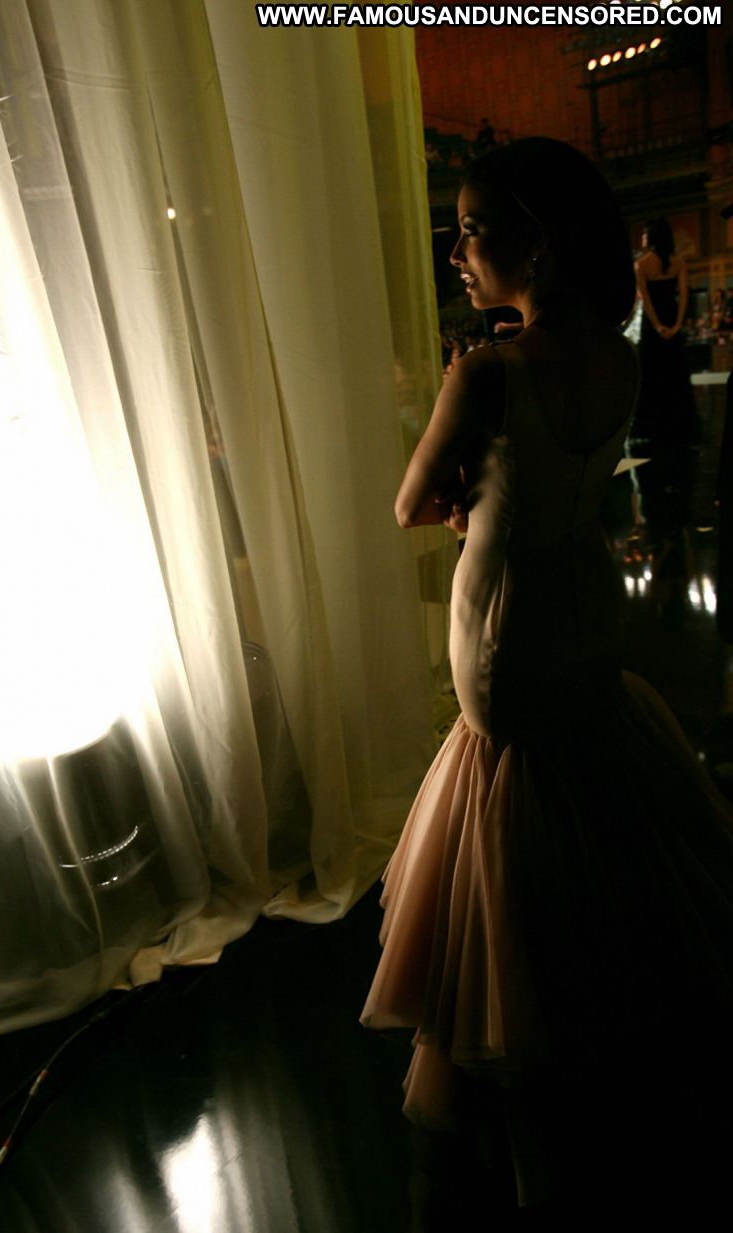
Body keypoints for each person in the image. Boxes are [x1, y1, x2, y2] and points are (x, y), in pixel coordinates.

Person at [360, 138, 733, 1221]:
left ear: (537, 244)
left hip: (506, 625)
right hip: (584, 608)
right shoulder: (617, 355)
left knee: (508, 815)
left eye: (472, 230)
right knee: (593, 797)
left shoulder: (485, 372)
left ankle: (527, 1074)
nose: (457, 253)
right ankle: (608, 1026)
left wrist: (463, 464)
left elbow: (408, 504)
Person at [630, 218, 701, 622]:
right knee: (676, 382)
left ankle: (655, 426)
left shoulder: (642, 264)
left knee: (655, 383)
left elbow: (644, 300)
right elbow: (683, 297)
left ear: (650, 238)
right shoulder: (679, 263)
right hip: (673, 325)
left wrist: (658, 326)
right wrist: (675, 325)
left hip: (655, 328)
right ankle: (680, 426)